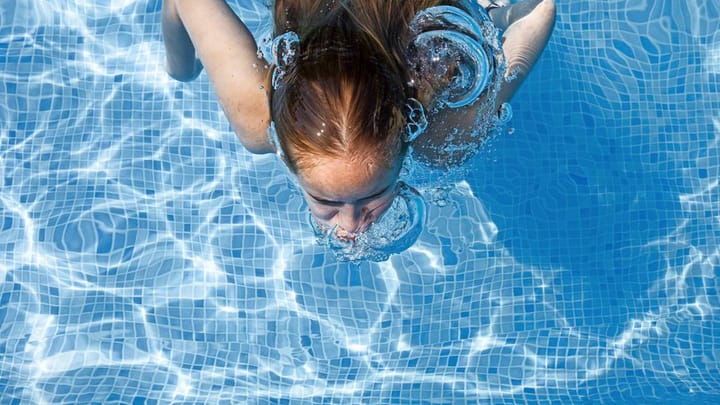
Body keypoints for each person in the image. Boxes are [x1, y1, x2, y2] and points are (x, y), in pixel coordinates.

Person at [162, 0, 555, 243]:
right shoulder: (254, 115)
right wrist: (178, 68)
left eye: (371, 196)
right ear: (286, 156)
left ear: (408, 133)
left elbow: (539, 11)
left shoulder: (447, 139)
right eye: (325, 201)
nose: (352, 226)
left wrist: (491, 17)